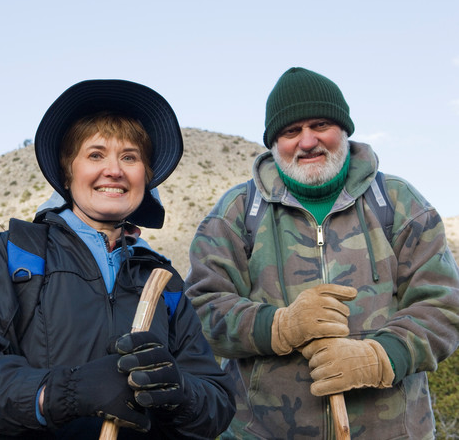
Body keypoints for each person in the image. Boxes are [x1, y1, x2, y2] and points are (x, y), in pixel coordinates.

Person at [0, 79, 235, 439]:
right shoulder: (13, 254)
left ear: (145, 176)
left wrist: (180, 393)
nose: (114, 170)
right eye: (95, 154)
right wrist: (64, 393)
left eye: (130, 157)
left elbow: (217, 402)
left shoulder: (163, 282)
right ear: (68, 170)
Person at [185, 67, 459, 439]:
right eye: (290, 131)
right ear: (274, 142)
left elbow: (443, 307)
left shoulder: (399, 203)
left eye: (320, 125)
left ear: (344, 130)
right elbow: (202, 309)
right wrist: (280, 326)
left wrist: (379, 358)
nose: (307, 141)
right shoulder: (236, 212)